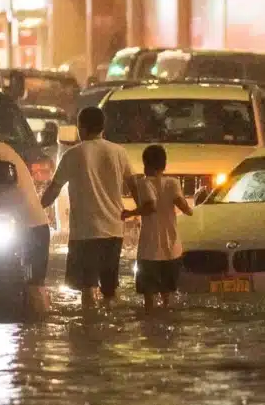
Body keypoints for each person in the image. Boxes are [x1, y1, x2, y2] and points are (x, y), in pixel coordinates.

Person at [40, 106, 142, 310]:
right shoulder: (119, 152)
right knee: (110, 291)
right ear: (103, 128)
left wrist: (36, 209)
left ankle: (90, 331)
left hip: (85, 233)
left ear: (81, 128)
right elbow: (133, 185)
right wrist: (140, 212)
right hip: (114, 231)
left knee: (87, 288)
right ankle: (109, 329)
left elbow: (54, 189)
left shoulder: (73, 154)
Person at [0, 128, 52, 315]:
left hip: (23, 230)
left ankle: (37, 330)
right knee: (35, 287)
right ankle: (39, 334)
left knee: (31, 289)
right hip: (36, 226)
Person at [123, 144, 193, 313]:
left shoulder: (144, 183)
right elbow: (186, 209)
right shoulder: (173, 183)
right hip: (172, 249)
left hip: (150, 250)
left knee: (149, 301)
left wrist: (130, 213)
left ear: (145, 165)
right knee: (167, 299)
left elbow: (150, 206)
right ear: (164, 165)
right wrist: (192, 205)